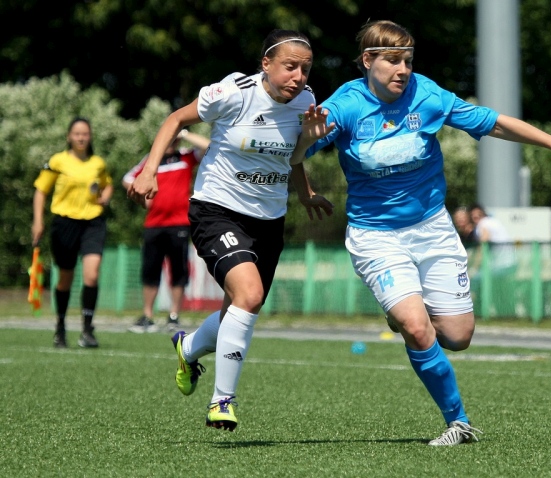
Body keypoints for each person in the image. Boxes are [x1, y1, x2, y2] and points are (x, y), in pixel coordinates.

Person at [290, 20, 551, 445]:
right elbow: (293, 153)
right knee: (417, 327)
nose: (403, 70)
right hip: (375, 235)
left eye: (408, 61)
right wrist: (305, 155)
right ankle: (458, 421)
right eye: (393, 60)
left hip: (433, 228)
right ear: (367, 61)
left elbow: (494, 123)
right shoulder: (345, 105)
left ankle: (402, 313)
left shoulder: (428, 95)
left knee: (457, 336)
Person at [127, 30, 334, 432]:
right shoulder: (234, 92)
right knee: (249, 295)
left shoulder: (306, 102)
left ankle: (188, 348)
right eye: (290, 66)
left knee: (239, 308)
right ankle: (222, 401)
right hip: (216, 211)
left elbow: (292, 156)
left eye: (305, 69)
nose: (298, 76)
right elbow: (175, 119)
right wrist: (149, 170)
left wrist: (305, 191)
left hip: (269, 220)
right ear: (266, 64)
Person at [32, 117, 113, 348]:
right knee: (65, 278)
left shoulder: (97, 163)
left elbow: (107, 184)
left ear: (90, 136)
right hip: (64, 223)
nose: (81, 138)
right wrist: (38, 221)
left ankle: (87, 330)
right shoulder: (58, 161)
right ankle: (60, 326)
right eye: (77, 133)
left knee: (92, 274)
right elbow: (40, 191)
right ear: (69, 136)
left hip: (93, 222)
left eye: (85, 134)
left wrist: (106, 197)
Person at [122, 129, 210, 333]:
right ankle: (147, 316)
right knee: (150, 270)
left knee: (178, 271)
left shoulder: (186, 156)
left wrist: (184, 133)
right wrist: (141, 195)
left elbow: (208, 146)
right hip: (153, 224)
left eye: (174, 138)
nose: (171, 142)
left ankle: (173, 316)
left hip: (179, 223)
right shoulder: (151, 161)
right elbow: (128, 178)